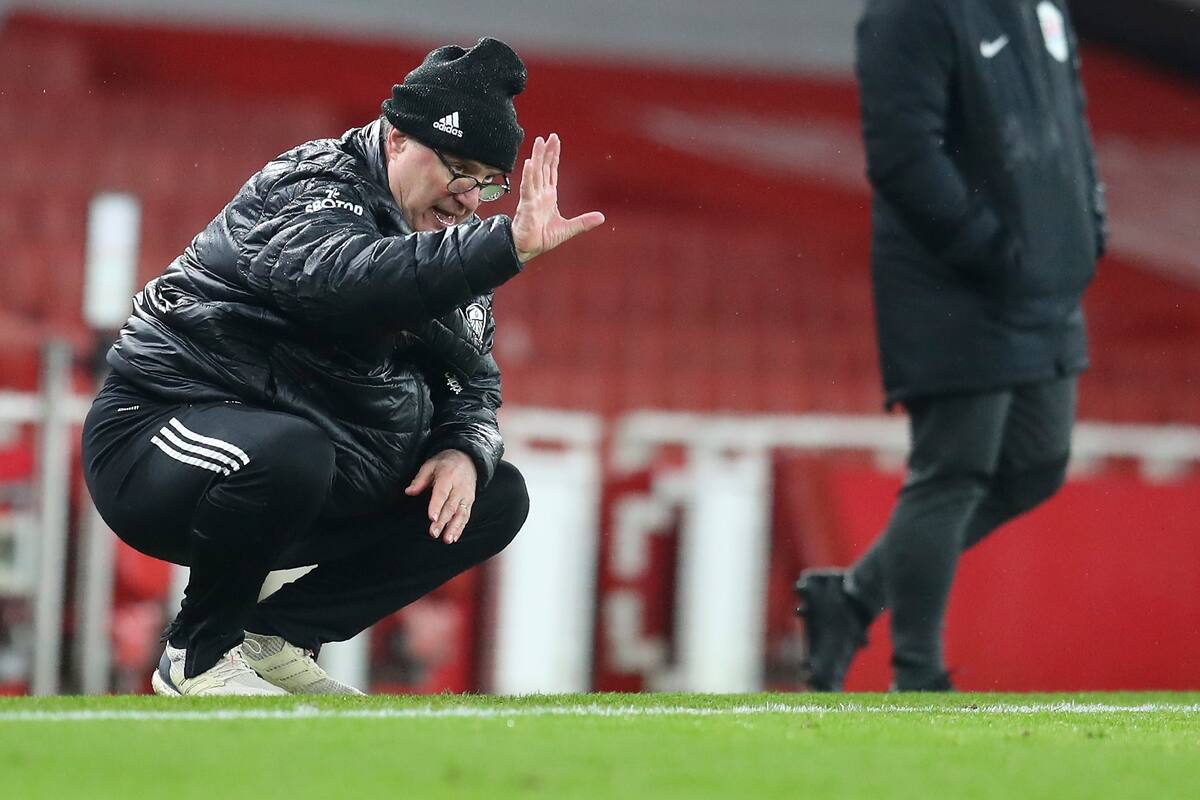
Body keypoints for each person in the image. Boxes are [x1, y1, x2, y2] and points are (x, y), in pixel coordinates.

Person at [81, 37, 604, 696]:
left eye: (488, 182)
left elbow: (473, 379)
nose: (470, 198)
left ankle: (274, 639)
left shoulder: (454, 251)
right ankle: (197, 653)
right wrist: (501, 247)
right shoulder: (309, 183)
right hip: (156, 440)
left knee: (495, 495)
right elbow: (348, 283)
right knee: (292, 450)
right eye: (458, 169)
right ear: (396, 139)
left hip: (301, 473)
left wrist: (462, 449)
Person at [796, 0, 1106, 691]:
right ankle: (918, 675)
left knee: (1035, 465)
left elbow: (1070, 120)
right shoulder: (910, 12)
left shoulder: (1040, 6)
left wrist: (1088, 222)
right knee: (954, 471)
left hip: (1043, 278)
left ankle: (850, 601)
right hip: (954, 283)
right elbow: (903, 155)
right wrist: (989, 247)